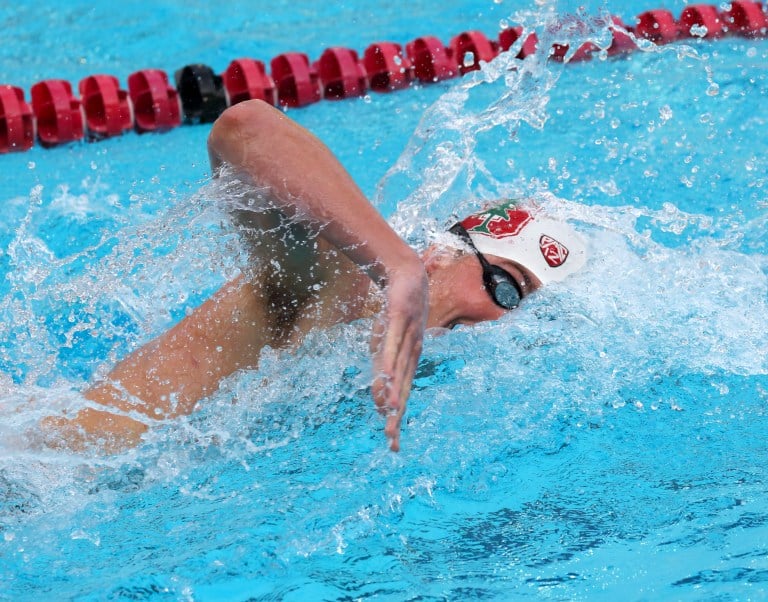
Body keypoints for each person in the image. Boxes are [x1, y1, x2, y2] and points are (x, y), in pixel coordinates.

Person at [43, 99, 587, 454]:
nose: (503, 320)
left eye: (529, 309)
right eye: (508, 287)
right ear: (443, 254)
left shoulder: (412, 371)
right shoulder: (342, 285)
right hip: (44, 474)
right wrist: (395, 267)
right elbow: (245, 128)